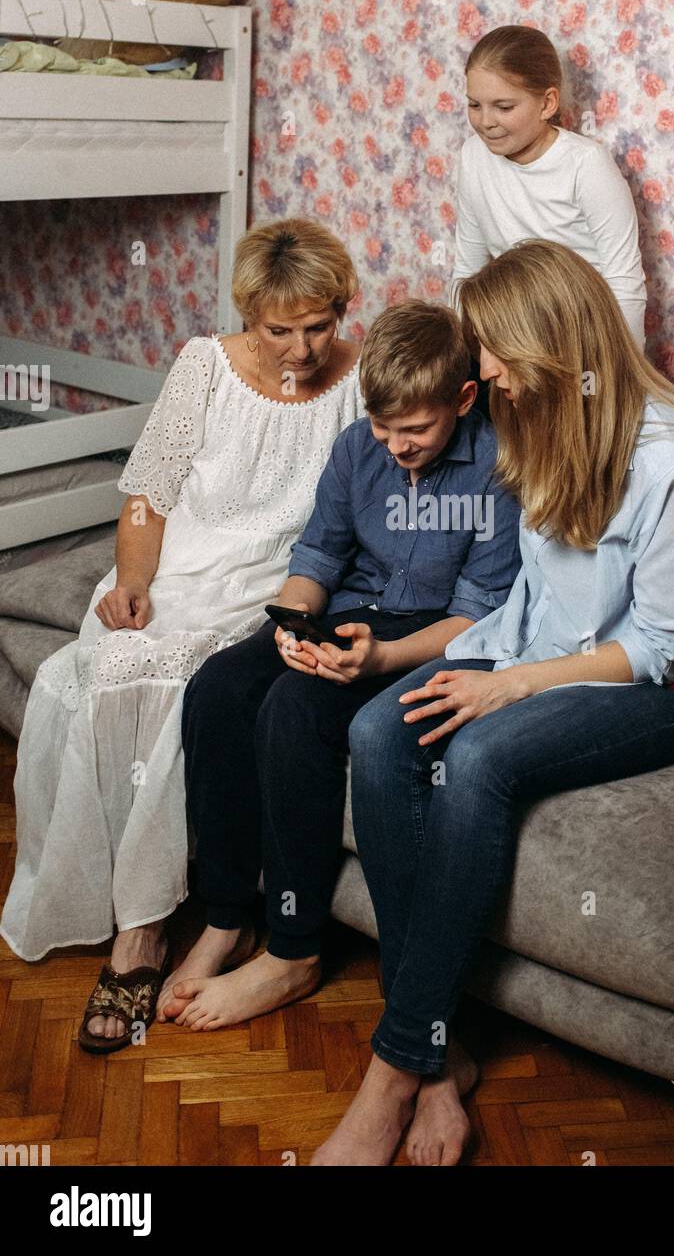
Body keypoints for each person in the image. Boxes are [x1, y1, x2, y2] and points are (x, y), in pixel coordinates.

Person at [313, 239, 674, 1166]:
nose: (484, 368)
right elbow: (531, 599)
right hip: (538, 651)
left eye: (494, 350)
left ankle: (391, 1073)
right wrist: (449, 657)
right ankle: (439, 1053)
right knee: (381, 730)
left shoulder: (672, 461)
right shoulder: (533, 415)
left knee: (480, 756)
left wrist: (507, 687)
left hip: (650, 687)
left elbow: (664, 644)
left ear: (549, 343)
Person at [0, 218, 365, 1055]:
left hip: (275, 582)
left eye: (319, 325)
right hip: (180, 565)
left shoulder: (360, 374)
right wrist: (131, 582)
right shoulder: (204, 365)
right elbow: (148, 495)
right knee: (94, 671)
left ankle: (151, 933)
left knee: (186, 685)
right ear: (249, 314)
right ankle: (129, 918)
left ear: (342, 311)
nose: (302, 348)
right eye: (280, 329)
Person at [156, 301, 522, 1032]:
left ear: (462, 398)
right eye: (383, 427)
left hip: (429, 636)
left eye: (414, 430)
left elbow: (480, 613)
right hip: (345, 612)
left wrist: (381, 656)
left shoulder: (496, 470)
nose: (396, 446)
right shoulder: (359, 448)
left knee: (295, 708)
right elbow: (317, 556)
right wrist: (290, 625)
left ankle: (293, 949)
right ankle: (227, 916)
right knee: (220, 686)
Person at [451, 24, 647, 351]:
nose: (485, 121)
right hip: (514, 343)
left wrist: (621, 380)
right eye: (474, 105)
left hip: (585, 341)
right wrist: (460, 359)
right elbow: (466, 271)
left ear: (547, 103)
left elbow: (625, 285)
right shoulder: (472, 158)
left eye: (504, 107)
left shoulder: (586, 165)